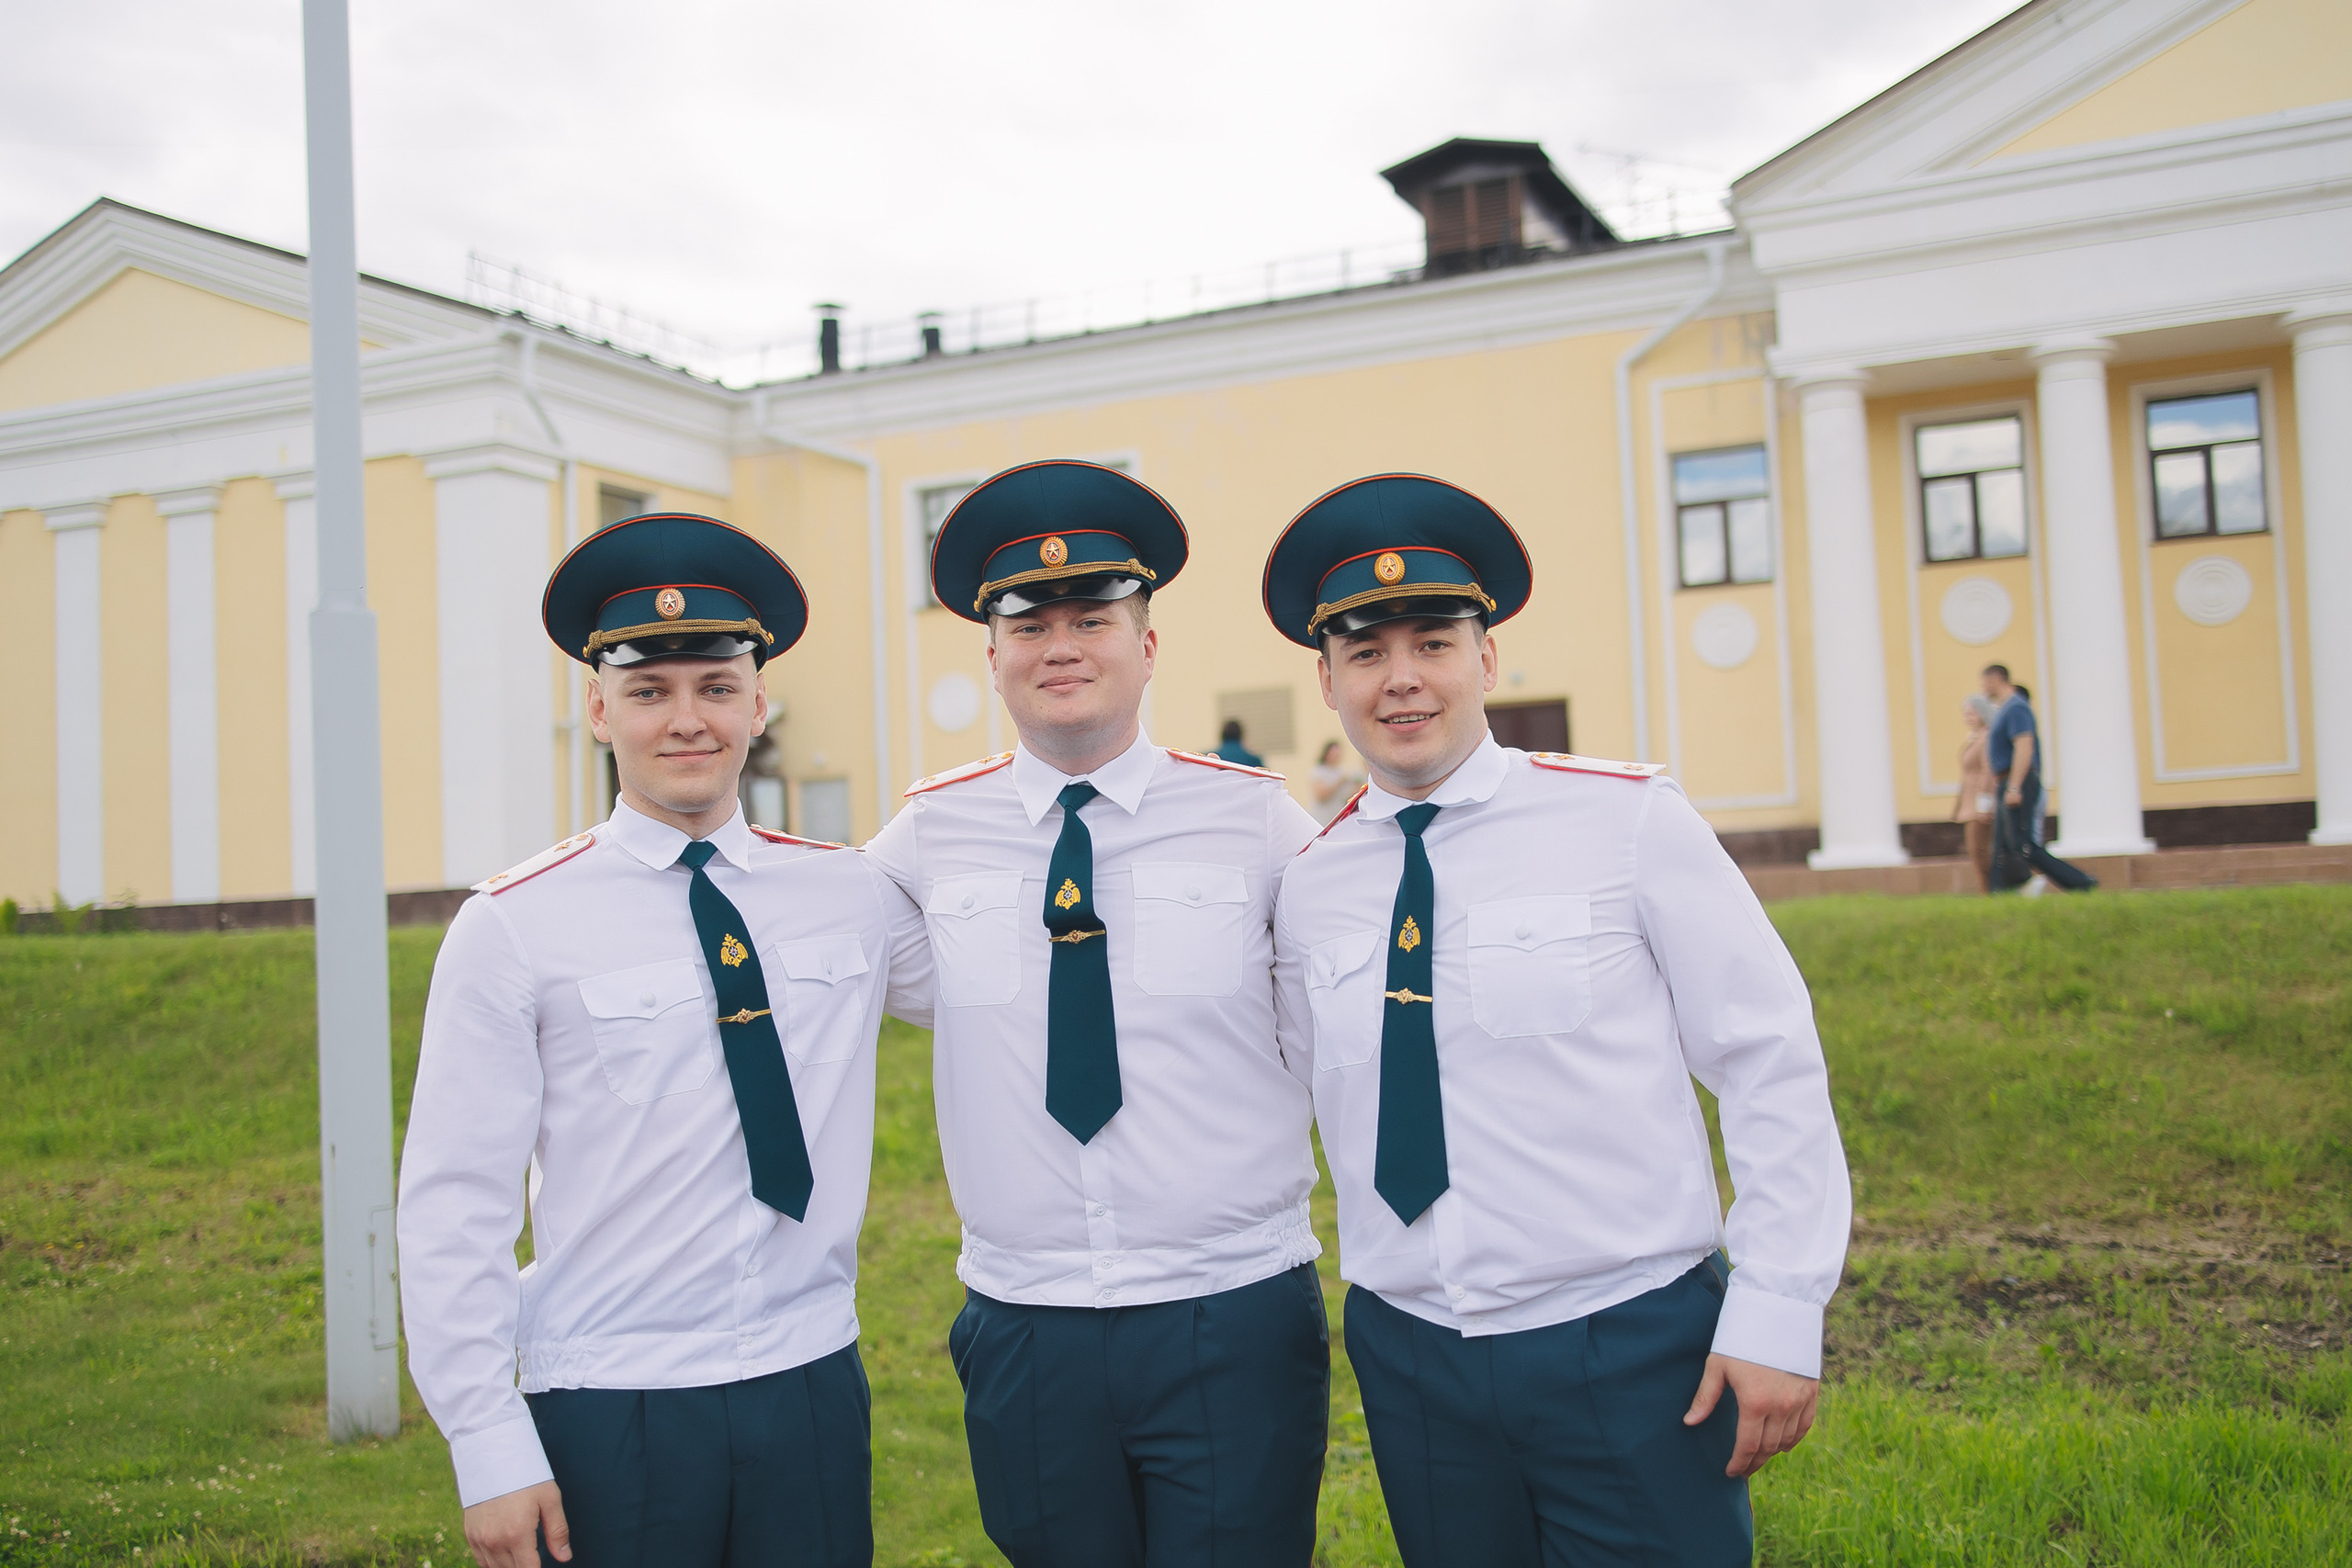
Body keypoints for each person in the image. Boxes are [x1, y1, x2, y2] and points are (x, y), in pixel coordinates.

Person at [1262, 474, 1851, 1568]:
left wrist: (1778, 1304)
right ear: (1327, 679)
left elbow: (1768, 1055)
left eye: (1433, 642)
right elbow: (1311, 1084)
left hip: (1626, 1340)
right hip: (1412, 1352)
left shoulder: (1624, 820)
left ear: (1486, 659)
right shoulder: (1310, 882)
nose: (1401, 679)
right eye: (1364, 651)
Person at [399, 513, 933, 1568]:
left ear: (757, 704)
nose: (686, 720)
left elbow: (1021, 993)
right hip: (611, 1400)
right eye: (649, 692)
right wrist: (486, 1441)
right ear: (598, 709)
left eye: (715, 687)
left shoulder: (850, 895)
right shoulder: (512, 924)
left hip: (809, 1382)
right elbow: (454, 1202)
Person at [864, 460, 1329, 1568]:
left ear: (1148, 644)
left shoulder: (1257, 821)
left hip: (1230, 1307)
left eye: (1092, 617)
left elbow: (1347, 1020)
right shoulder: (927, 836)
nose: (1060, 645)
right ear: (992, 658)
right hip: (1027, 1323)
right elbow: (797, 949)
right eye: (1029, 626)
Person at [1980, 664, 2098, 894]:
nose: (1983, 687)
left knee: (2023, 846)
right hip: (2008, 781)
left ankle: (2080, 882)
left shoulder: (2016, 708)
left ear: (1996, 680)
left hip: (2018, 781)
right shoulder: (2005, 709)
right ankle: (1999, 893)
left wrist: (2014, 787)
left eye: (1984, 681)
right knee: (2004, 846)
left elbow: (2024, 745)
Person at [1955, 693, 1999, 892]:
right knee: (1976, 852)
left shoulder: (1987, 737)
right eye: (1965, 714)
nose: (1968, 718)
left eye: (1972, 714)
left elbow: (1988, 771)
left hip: (1979, 803)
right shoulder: (1974, 737)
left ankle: (1989, 892)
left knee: (1980, 851)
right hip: (1969, 801)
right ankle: (1986, 891)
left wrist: (1984, 804)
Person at [1307, 739, 1361, 826]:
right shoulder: (1320, 771)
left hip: (1337, 821)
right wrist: (1339, 782)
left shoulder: (1341, 771)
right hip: (1323, 820)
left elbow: (1346, 798)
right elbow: (1321, 795)